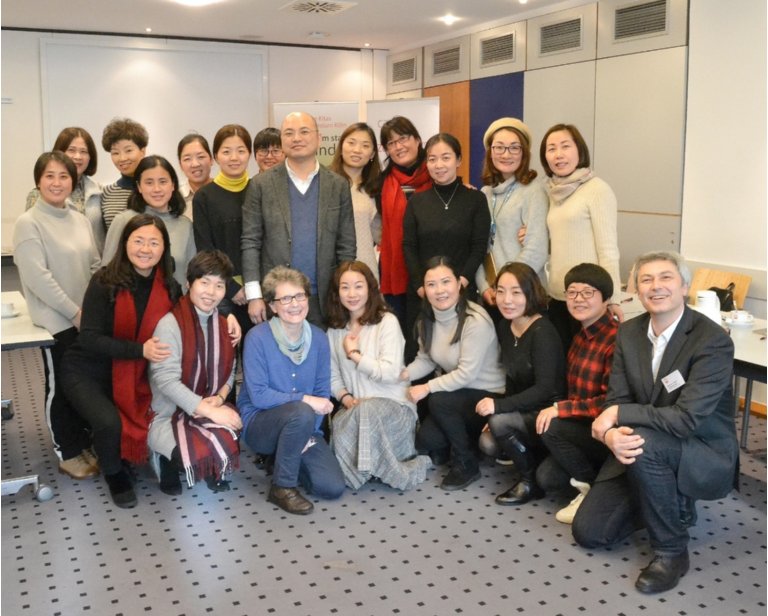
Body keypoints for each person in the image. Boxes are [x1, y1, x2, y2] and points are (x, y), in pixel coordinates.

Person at [573, 251, 737, 594]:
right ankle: (667, 498)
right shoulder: (629, 333)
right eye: (646, 279)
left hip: (698, 448)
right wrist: (612, 435)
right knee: (590, 533)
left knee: (646, 445)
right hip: (640, 443)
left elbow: (685, 419)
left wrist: (618, 416)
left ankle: (672, 551)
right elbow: (616, 398)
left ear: (684, 287)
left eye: (666, 278)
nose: (655, 286)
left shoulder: (712, 340)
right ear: (636, 289)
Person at [61, 214, 182, 508]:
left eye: (154, 242)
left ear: (164, 248)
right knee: (109, 423)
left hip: (137, 372)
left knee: (162, 408)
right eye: (138, 240)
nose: (145, 249)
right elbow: (89, 338)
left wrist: (226, 318)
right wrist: (140, 350)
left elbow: (187, 323)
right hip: (88, 369)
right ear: (125, 243)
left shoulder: (170, 286)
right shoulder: (104, 281)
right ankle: (114, 473)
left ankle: (143, 455)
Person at [13, 151, 101, 480]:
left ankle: (82, 441)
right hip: (56, 322)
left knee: (84, 384)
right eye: (49, 175)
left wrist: (94, 310)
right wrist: (74, 312)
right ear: (38, 181)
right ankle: (67, 451)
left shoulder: (78, 218)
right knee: (61, 387)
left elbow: (94, 265)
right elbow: (39, 279)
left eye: (64, 176)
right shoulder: (28, 223)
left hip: (85, 317)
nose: (57, 182)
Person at [238, 266, 346, 515]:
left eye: (299, 296)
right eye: (285, 298)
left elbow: (322, 392)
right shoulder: (256, 337)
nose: (294, 304)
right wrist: (305, 400)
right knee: (302, 410)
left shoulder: (319, 338)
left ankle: (281, 456)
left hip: (304, 425)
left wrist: (307, 433)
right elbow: (259, 396)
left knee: (331, 487)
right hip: (261, 424)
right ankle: (282, 487)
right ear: (273, 306)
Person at [242, 111, 356, 327]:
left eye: (304, 132)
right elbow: (250, 241)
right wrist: (254, 295)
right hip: (276, 299)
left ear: (319, 138)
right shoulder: (261, 185)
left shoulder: (338, 185)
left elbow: (346, 245)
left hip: (325, 298)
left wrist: (346, 291)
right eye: (289, 133)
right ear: (282, 140)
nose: (296, 138)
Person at [402, 256, 505, 491]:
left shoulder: (475, 320)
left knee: (438, 400)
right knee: (428, 440)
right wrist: (401, 374)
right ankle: (465, 442)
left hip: (487, 394)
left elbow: (466, 374)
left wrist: (427, 387)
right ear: (424, 289)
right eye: (431, 284)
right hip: (457, 394)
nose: (439, 290)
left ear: (459, 284)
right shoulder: (427, 319)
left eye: (446, 282)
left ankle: (466, 462)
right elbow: (426, 359)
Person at [326, 261, 430, 490]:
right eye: (345, 287)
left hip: (395, 408)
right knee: (350, 418)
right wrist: (346, 398)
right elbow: (332, 376)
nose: (352, 294)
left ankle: (367, 471)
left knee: (368, 411)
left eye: (358, 286)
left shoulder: (387, 322)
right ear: (337, 292)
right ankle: (369, 469)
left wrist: (355, 355)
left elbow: (391, 373)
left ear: (370, 288)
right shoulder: (334, 330)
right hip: (355, 408)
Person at [148, 250, 242, 496]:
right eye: (205, 282)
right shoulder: (170, 324)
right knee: (188, 455)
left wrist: (220, 399)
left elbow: (230, 369)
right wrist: (209, 411)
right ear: (189, 283)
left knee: (232, 430)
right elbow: (166, 381)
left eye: (219, 285)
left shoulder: (224, 324)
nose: (211, 292)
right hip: (170, 412)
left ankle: (207, 461)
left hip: (208, 402)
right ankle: (162, 456)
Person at [475, 262, 566, 505]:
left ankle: (529, 481)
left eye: (516, 292)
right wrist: (503, 408)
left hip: (549, 413)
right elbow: (513, 377)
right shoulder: (506, 326)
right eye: (501, 291)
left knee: (498, 421)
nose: (507, 300)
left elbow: (545, 389)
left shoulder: (542, 332)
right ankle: (533, 461)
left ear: (530, 293)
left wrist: (500, 408)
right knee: (488, 442)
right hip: (525, 407)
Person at [535, 263, 617, 523]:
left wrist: (560, 409)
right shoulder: (581, 334)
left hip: (606, 432)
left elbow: (610, 402)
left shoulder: (616, 339)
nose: (578, 299)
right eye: (572, 292)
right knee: (547, 478)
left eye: (588, 292)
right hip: (581, 426)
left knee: (550, 426)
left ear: (606, 299)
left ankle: (592, 488)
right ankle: (598, 477)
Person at [540, 123, 622, 353]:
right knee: (561, 362)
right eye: (551, 149)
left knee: (585, 364)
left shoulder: (597, 189)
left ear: (580, 150)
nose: (558, 154)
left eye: (565, 146)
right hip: (558, 295)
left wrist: (613, 298)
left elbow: (608, 249)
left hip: (588, 298)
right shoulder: (552, 192)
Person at [403, 132, 489, 335]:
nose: (439, 165)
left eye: (446, 157)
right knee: (422, 346)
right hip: (423, 294)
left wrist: (461, 283)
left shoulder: (476, 199)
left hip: (462, 290)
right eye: (432, 159)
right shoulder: (416, 201)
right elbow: (409, 246)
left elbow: (479, 246)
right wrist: (421, 286)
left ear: (458, 160)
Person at [476, 118, 548, 315]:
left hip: (523, 294)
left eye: (514, 148)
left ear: (524, 153)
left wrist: (506, 289)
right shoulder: (484, 193)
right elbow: (478, 247)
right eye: (499, 147)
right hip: (492, 295)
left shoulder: (533, 191)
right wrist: (484, 287)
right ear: (490, 152)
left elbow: (536, 249)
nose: (506, 154)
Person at [193, 124, 253, 331]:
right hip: (221, 291)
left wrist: (254, 287)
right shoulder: (204, 196)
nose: (234, 157)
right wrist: (231, 287)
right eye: (226, 151)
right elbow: (205, 249)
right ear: (216, 157)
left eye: (241, 151)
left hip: (258, 290)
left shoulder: (259, 190)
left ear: (249, 154)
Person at [103, 155, 196, 287]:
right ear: (139, 186)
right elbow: (107, 271)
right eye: (149, 182)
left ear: (173, 185)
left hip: (175, 299)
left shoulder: (185, 225)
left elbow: (192, 275)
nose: (157, 189)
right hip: (129, 299)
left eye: (163, 182)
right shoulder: (123, 220)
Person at [378, 116, 432, 333]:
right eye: (391, 143)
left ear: (417, 140)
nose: (398, 146)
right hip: (396, 271)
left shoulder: (437, 175)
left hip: (432, 268)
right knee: (402, 335)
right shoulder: (381, 182)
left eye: (403, 138)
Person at [25, 127, 105, 254]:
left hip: (94, 263)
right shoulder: (38, 194)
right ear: (59, 153)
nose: (78, 156)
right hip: (57, 263)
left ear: (90, 157)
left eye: (83, 151)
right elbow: (32, 238)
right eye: (71, 150)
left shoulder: (99, 191)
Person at [329, 122, 382, 281]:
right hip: (331, 268)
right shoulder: (325, 183)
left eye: (365, 145)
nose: (357, 150)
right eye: (351, 143)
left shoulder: (376, 188)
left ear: (372, 154)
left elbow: (380, 234)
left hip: (365, 268)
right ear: (341, 147)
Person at [100, 117, 148, 230]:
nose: (122, 158)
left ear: (143, 151)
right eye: (115, 153)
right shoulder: (107, 193)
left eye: (128, 150)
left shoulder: (155, 189)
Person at [177, 133, 213, 214]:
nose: (195, 164)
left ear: (211, 159)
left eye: (201, 157)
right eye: (187, 159)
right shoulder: (175, 198)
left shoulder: (224, 192)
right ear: (180, 165)